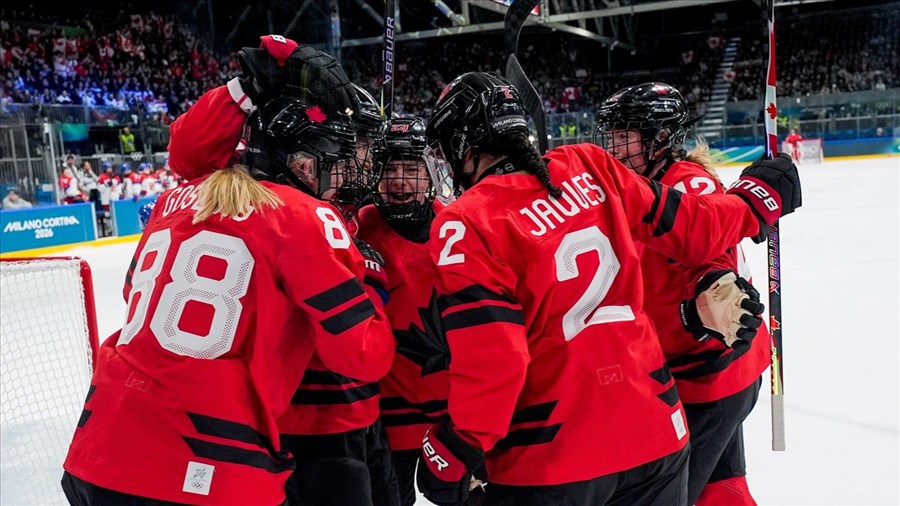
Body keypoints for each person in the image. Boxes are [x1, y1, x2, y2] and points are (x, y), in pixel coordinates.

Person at [415, 72, 801, 506]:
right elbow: (696, 228)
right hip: (657, 432)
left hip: (551, 455)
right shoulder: (590, 165)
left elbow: (496, 364)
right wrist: (754, 202)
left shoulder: (465, 222)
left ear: (464, 145)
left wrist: (455, 446)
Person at [61, 35, 394, 506]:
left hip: (97, 446)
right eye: (336, 159)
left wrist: (245, 87)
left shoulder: (177, 198)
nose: (347, 172)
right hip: (204, 462)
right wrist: (368, 282)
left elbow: (134, 284)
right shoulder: (305, 218)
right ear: (298, 161)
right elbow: (364, 356)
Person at [595, 82, 771, 506]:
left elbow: (712, 259)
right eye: (612, 135)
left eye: (625, 136)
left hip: (712, 376)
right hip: (683, 372)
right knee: (722, 488)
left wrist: (711, 295)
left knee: (669, 495)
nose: (613, 147)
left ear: (659, 138)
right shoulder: (633, 186)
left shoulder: (687, 184)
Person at [277, 83, 400, 506]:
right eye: (360, 143)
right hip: (314, 424)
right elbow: (362, 346)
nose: (367, 159)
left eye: (369, 145)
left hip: (362, 415)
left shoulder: (350, 211)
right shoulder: (303, 215)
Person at [356, 117, 453, 506]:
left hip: (455, 419)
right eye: (389, 169)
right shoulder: (356, 228)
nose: (398, 180)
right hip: (385, 422)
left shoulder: (460, 228)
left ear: (432, 173)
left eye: (411, 169)